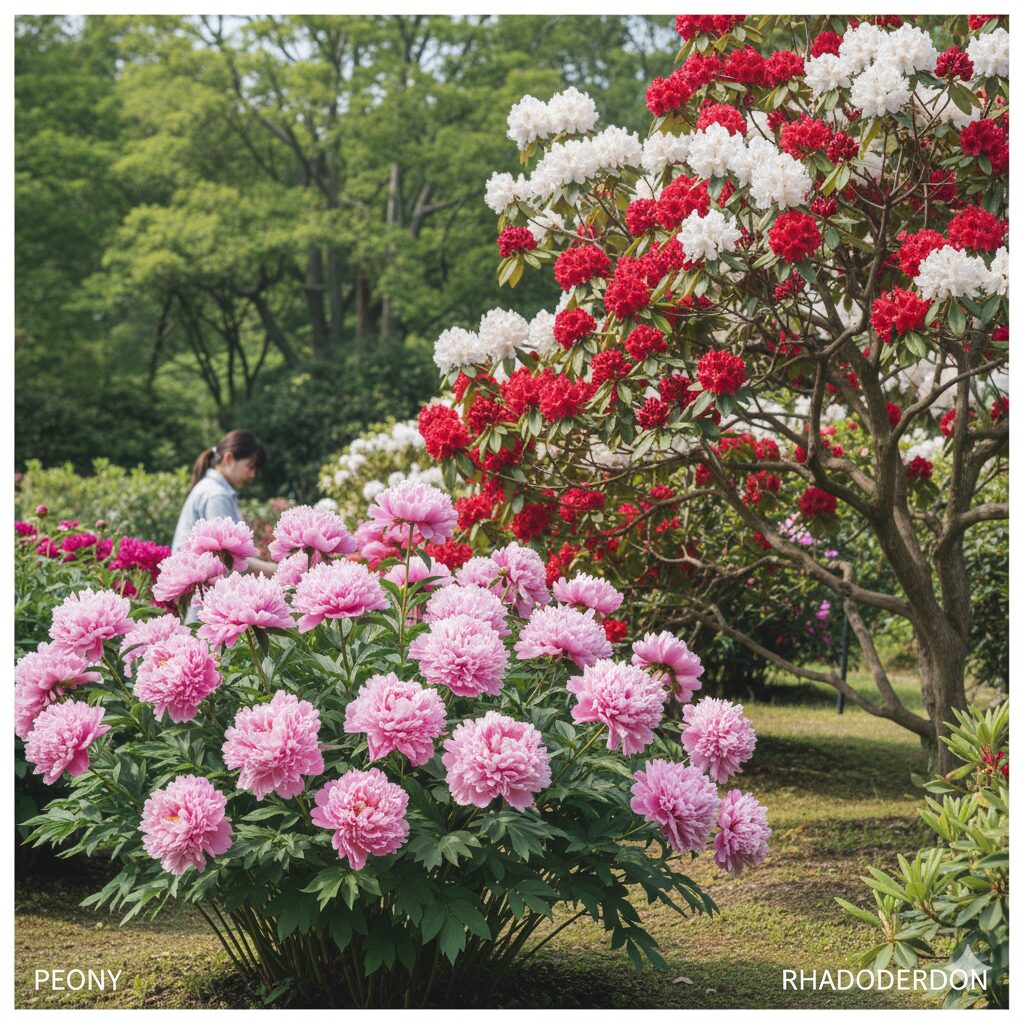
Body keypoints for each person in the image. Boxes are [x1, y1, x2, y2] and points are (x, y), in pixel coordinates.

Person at [172, 429, 277, 576]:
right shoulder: (216, 495)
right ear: (228, 458)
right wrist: (278, 572)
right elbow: (230, 560)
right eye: (250, 466)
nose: (252, 475)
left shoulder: (216, 489)